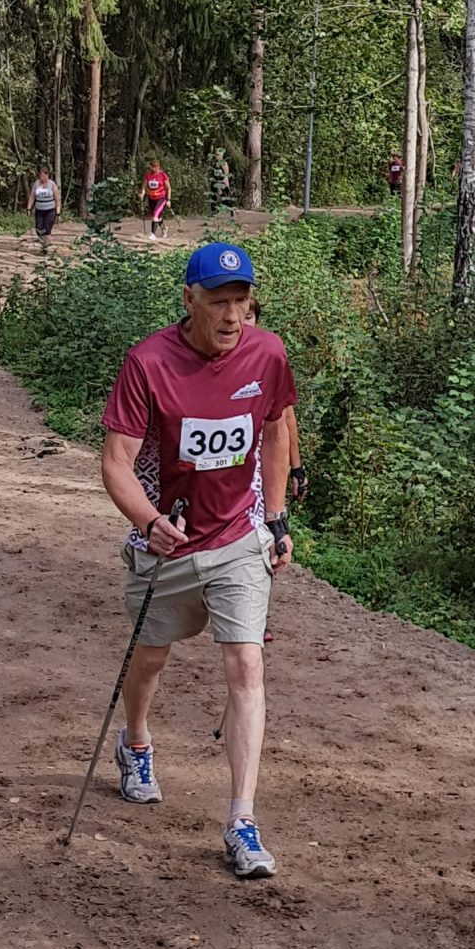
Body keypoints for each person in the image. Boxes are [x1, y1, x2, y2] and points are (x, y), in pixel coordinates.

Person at [101, 241, 296, 879]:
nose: (233, 314)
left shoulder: (267, 353)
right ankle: (136, 742)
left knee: (246, 665)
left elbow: (276, 430)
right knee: (150, 659)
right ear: (189, 300)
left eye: (242, 300)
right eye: (219, 302)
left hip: (238, 536)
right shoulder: (148, 362)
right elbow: (116, 464)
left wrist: (276, 519)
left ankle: (242, 820)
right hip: (168, 541)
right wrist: (149, 522)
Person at [245, 295, 307, 644]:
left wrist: (296, 468)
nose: (243, 321)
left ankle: (256, 615)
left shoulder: (269, 359)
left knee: (269, 535)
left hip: (263, 466)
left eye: (250, 315)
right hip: (230, 467)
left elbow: (286, 421)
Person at [26, 166, 61, 245]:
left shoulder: (52, 184)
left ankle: (46, 243)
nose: (42, 178)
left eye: (43, 176)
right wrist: (29, 208)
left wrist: (58, 212)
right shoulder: (36, 184)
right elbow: (32, 197)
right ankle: (43, 240)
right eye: (41, 176)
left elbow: (57, 199)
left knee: (47, 228)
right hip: (39, 209)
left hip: (50, 209)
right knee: (38, 228)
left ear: (47, 175)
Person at [139, 159, 171, 241]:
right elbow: (144, 187)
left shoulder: (163, 175)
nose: (153, 168)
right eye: (152, 167)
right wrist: (142, 193)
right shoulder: (148, 175)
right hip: (151, 198)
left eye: (155, 167)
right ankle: (164, 228)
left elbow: (168, 188)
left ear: (158, 167)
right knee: (156, 217)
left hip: (161, 198)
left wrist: (168, 200)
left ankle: (153, 234)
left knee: (155, 215)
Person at [209, 147, 234, 215]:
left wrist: (221, 186)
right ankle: (213, 211)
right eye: (216, 155)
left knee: (225, 198)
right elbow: (214, 173)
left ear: (221, 155)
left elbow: (226, 175)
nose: (217, 156)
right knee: (213, 196)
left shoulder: (224, 164)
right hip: (215, 182)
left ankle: (231, 209)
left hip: (222, 183)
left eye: (218, 155)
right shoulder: (215, 163)